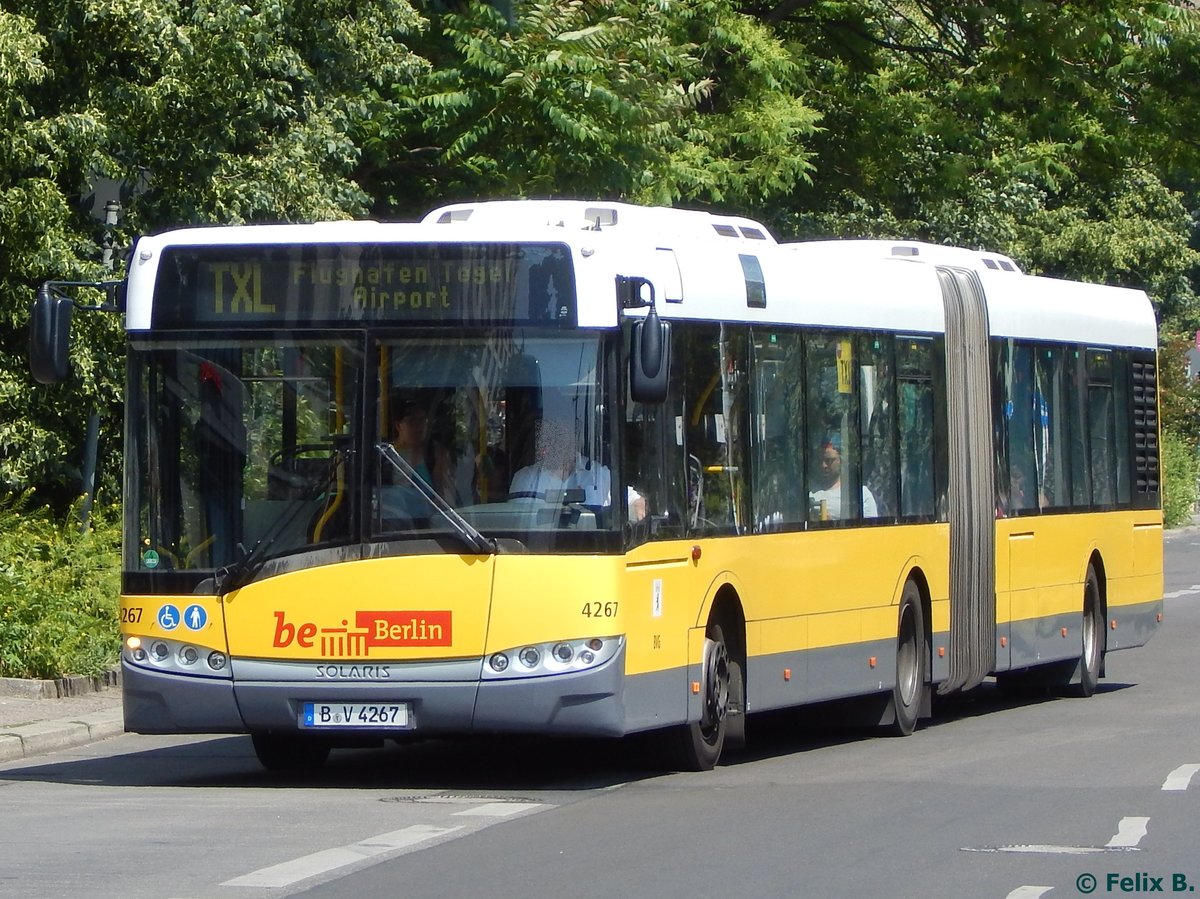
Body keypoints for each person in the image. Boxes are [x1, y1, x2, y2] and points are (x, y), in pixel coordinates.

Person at [509, 418, 646, 520]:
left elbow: (635, 501)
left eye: (568, 434)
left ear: (577, 439)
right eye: (556, 434)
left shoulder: (598, 474)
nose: (563, 441)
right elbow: (517, 523)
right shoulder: (525, 478)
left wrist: (638, 509)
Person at [809, 438, 877, 520]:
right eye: (820, 460)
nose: (824, 465)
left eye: (829, 460)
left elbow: (870, 529)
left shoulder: (859, 494)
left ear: (841, 461)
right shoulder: (809, 493)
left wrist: (832, 524)